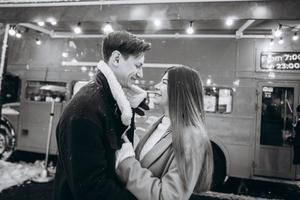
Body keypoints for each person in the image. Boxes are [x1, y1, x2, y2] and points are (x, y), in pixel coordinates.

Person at [53, 31, 151, 200]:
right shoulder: (86, 109)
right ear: (116, 59)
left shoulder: (110, 103)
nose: (141, 74)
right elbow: (92, 190)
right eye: (138, 65)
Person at [115, 66, 214, 200]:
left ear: (180, 91)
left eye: (164, 82)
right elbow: (142, 162)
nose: (156, 86)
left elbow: (167, 196)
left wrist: (126, 161)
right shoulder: (161, 124)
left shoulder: (192, 137)